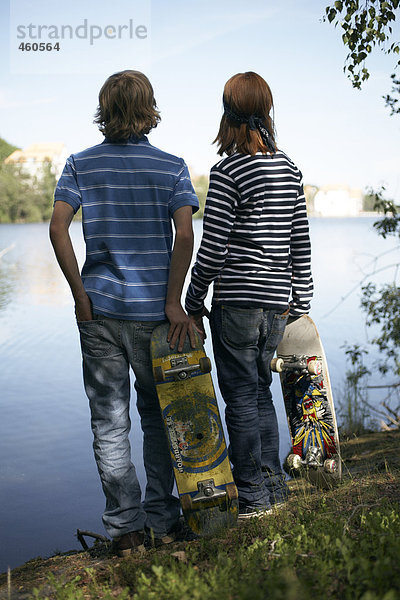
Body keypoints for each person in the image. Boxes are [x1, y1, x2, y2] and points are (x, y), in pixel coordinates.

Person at [49, 70, 199, 555]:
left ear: (104, 110)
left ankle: (126, 529)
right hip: (156, 316)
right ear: (149, 107)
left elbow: (57, 230)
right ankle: (162, 516)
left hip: (101, 314)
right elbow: (185, 236)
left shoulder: (79, 165)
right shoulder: (172, 167)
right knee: (158, 418)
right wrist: (175, 302)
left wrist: (79, 294)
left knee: (109, 422)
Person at [185, 72, 313, 519]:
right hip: (277, 302)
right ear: (267, 111)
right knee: (262, 393)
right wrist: (303, 297)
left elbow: (214, 245)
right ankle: (274, 491)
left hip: (237, 302)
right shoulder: (290, 169)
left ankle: (254, 500)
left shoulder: (227, 171)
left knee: (240, 397)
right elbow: (300, 238)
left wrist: (192, 297)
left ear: (228, 115)